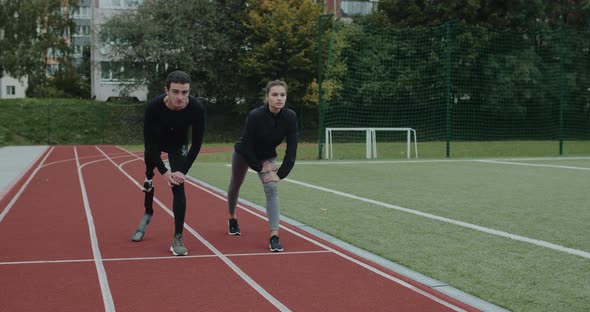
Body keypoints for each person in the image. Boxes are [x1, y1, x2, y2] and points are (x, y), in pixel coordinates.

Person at [131, 70, 206, 256]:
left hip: (178, 146)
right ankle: (148, 200)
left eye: (185, 92)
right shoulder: (154, 108)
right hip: (156, 143)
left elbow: (197, 144)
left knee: (179, 188)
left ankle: (178, 236)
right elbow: (149, 145)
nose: (180, 97)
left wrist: (183, 172)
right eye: (175, 92)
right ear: (167, 90)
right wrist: (163, 172)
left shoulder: (196, 108)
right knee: (150, 171)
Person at [226, 79, 298, 252]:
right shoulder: (255, 115)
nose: (279, 98)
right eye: (274, 95)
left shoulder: (290, 117)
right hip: (244, 153)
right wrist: (259, 166)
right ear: (267, 97)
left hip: (267, 156)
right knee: (236, 184)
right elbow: (247, 145)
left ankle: (274, 235)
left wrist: (281, 173)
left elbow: (292, 148)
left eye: (282, 94)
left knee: (272, 187)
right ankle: (232, 217)